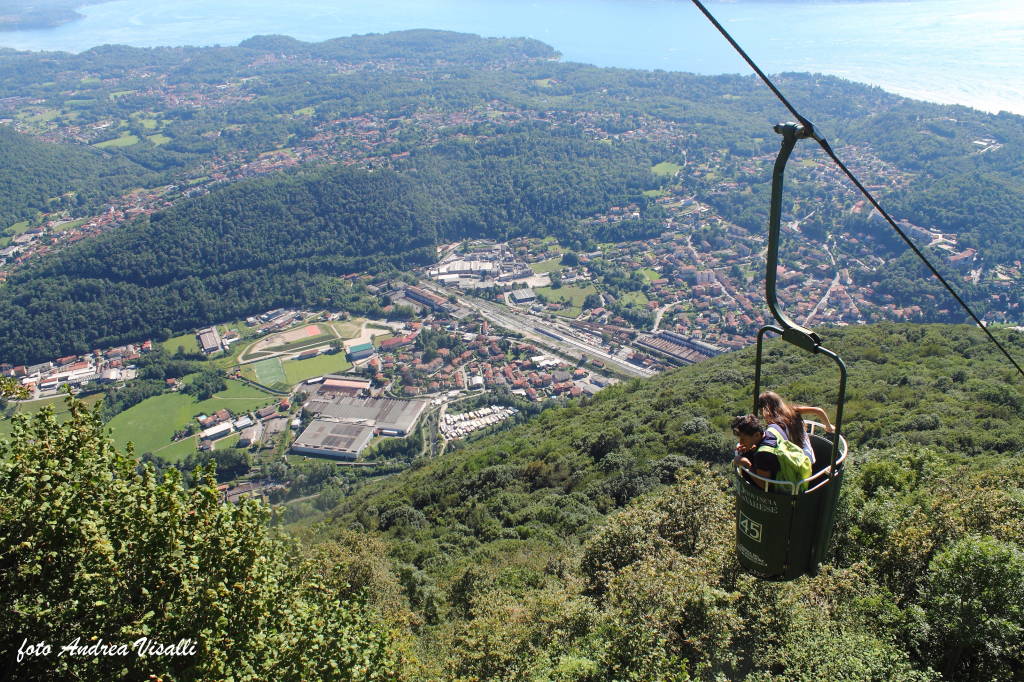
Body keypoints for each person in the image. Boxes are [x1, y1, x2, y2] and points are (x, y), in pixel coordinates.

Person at [731, 414, 812, 493]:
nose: (740, 442)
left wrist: (746, 464)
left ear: (757, 435)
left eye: (743, 439)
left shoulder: (762, 454)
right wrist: (752, 449)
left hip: (781, 491)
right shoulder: (773, 428)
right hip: (793, 471)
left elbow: (764, 484)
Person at [756, 391, 834, 465]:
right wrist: (828, 426)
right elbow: (818, 411)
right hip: (809, 456)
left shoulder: (774, 426)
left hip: (795, 462)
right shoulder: (793, 410)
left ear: (764, 409)